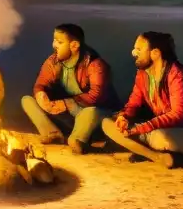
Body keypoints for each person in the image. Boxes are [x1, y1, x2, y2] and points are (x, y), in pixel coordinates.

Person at [100, 31, 183, 169]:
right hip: (161, 130)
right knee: (108, 123)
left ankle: (148, 150)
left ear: (155, 53)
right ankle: (156, 156)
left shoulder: (179, 75)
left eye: (139, 49)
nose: (134, 53)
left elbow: (178, 116)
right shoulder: (143, 74)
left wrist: (140, 128)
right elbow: (133, 103)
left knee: (161, 137)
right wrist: (124, 117)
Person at [21, 23, 120, 154]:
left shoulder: (95, 64)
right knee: (28, 100)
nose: (54, 45)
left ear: (74, 45)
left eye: (59, 42)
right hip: (67, 115)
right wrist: (41, 95)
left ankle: (78, 140)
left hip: (91, 116)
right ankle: (53, 133)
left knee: (90, 111)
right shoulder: (53, 61)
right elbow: (41, 84)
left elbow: (96, 96)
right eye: (54, 40)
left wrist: (67, 104)